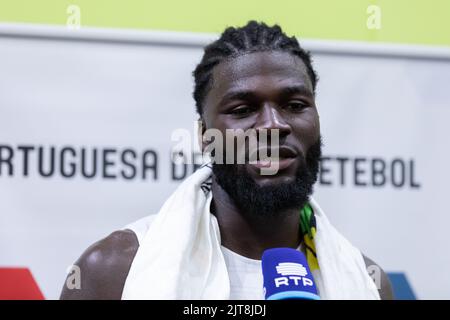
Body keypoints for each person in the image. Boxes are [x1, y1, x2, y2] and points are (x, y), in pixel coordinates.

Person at [60, 21, 393, 300]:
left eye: (294, 104)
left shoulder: (367, 283)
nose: (273, 125)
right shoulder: (112, 272)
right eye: (243, 110)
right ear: (205, 135)